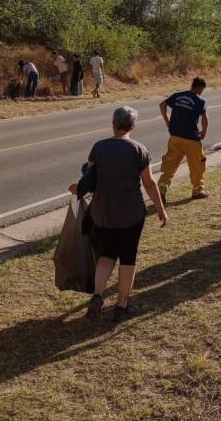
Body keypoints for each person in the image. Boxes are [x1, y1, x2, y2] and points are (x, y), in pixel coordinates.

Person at [69, 106, 167, 322]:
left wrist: (80, 187)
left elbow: (90, 175)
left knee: (107, 254)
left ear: (113, 124)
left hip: (102, 212)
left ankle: (97, 296)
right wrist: (160, 209)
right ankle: (122, 305)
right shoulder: (139, 150)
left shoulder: (99, 147)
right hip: (130, 212)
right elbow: (149, 184)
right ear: (133, 126)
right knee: (128, 256)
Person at [158, 77, 209, 203]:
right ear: (200, 87)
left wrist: (167, 122)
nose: (202, 92)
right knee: (197, 165)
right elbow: (204, 117)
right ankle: (198, 191)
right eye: (202, 89)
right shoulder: (200, 100)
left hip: (175, 137)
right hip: (191, 139)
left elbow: (162, 105)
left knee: (170, 165)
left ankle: (161, 190)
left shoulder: (178, 95)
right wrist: (203, 132)